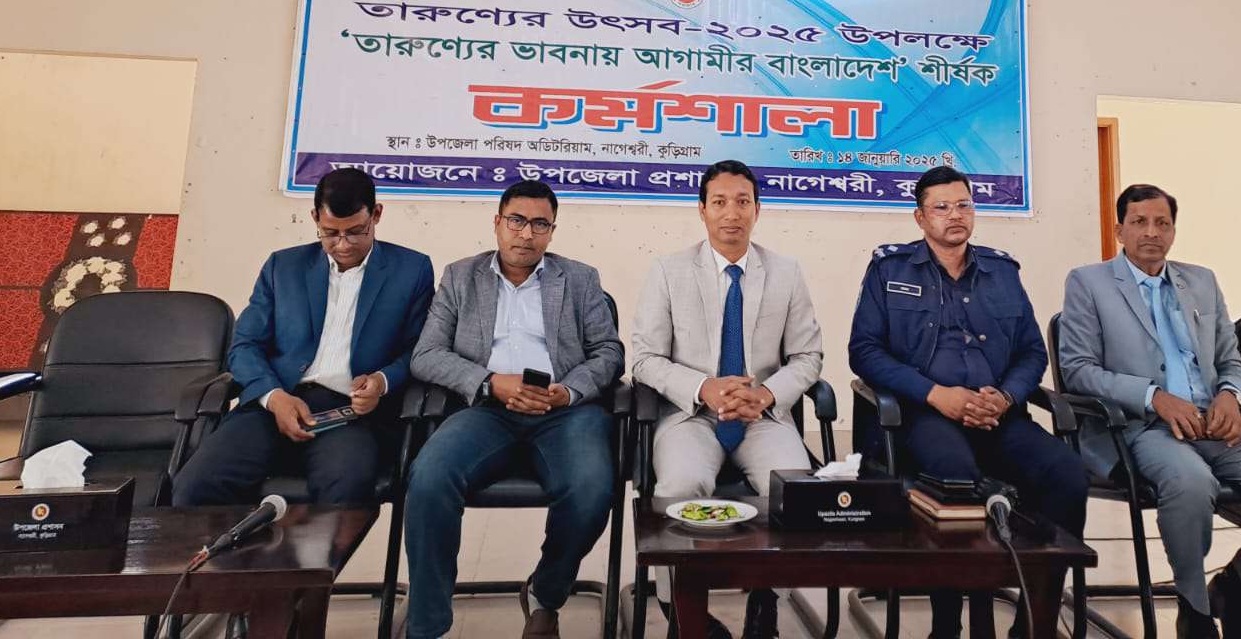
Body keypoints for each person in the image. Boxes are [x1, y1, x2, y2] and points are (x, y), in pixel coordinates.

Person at [1059, 184, 1241, 639]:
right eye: (1139, 222)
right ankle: (1194, 606)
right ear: (1120, 229)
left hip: (1215, 425)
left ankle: (1236, 583)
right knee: (1190, 481)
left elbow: (1231, 360)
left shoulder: (1201, 281)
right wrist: (1154, 397)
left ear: (1173, 230)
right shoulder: (1089, 283)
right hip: (1141, 427)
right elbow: (1078, 370)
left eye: (1162, 223)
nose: (1152, 232)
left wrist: (1231, 396)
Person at [850, 165, 1088, 639]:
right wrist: (936, 394)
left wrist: (1005, 396)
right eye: (941, 207)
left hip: (997, 415)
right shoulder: (890, 269)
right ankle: (949, 623)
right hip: (923, 414)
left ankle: (1036, 621)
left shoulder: (1002, 272)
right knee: (956, 477)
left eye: (963, 204)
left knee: (1066, 474)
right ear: (920, 218)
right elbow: (865, 351)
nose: (955, 215)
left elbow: (1031, 352)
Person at [404, 179, 624, 639]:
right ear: (498, 223)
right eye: (517, 221)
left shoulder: (580, 278)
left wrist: (569, 392)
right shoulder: (460, 277)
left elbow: (609, 352)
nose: (526, 233)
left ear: (552, 231)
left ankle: (546, 593)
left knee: (591, 489)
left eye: (540, 224)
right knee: (428, 479)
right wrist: (490, 383)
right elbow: (426, 355)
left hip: (564, 412)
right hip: (488, 409)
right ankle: (426, 625)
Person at [630, 159, 824, 639]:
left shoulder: (785, 271)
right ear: (702, 210)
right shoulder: (669, 270)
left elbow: (808, 356)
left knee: (792, 485)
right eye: (719, 202)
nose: (731, 213)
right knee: (679, 484)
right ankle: (681, 609)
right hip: (691, 414)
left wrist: (765, 394)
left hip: (763, 417)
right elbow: (645, 359)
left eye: (742, 202)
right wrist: (703, 387)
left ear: (758, 209)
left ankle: (766, 600)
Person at [173, 168, 434, 507]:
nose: (343, 244)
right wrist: (273, 396)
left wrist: (382, 382)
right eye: (330, 233)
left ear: (377, 215)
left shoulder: (411, 270)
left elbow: (419, 349)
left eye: (356, 231)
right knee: (195, 486)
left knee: (345, 492)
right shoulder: (283, 267)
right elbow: (245, 346)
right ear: (314, 218)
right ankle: (239, 545)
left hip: (351, 415)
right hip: (276, 402)